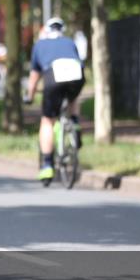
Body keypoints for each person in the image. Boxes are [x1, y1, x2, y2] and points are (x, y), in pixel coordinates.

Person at [23, 17, 85, 181]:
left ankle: (48, 165)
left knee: (47, 121)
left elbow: (34, 76)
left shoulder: (39, 45)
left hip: (53, 75)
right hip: (76, 74)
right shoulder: (69, 42)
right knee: (73, 97)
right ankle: (75, 123)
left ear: (45, 30)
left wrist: (29, 96)